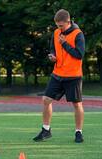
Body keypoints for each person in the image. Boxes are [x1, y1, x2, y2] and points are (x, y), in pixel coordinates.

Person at [33, 9, 85, 143]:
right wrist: (52, 56)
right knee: (46, 100)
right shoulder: (56, 33)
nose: (59, 28)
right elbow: (52, 48)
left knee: (77, 104)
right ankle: (46, 130)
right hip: (57, 74)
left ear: (68, 22)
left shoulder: (78, 34)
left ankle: (78, 132)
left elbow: (79, 54)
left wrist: (65, 44)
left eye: (61, 25)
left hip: (73, 75)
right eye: (57, 25)